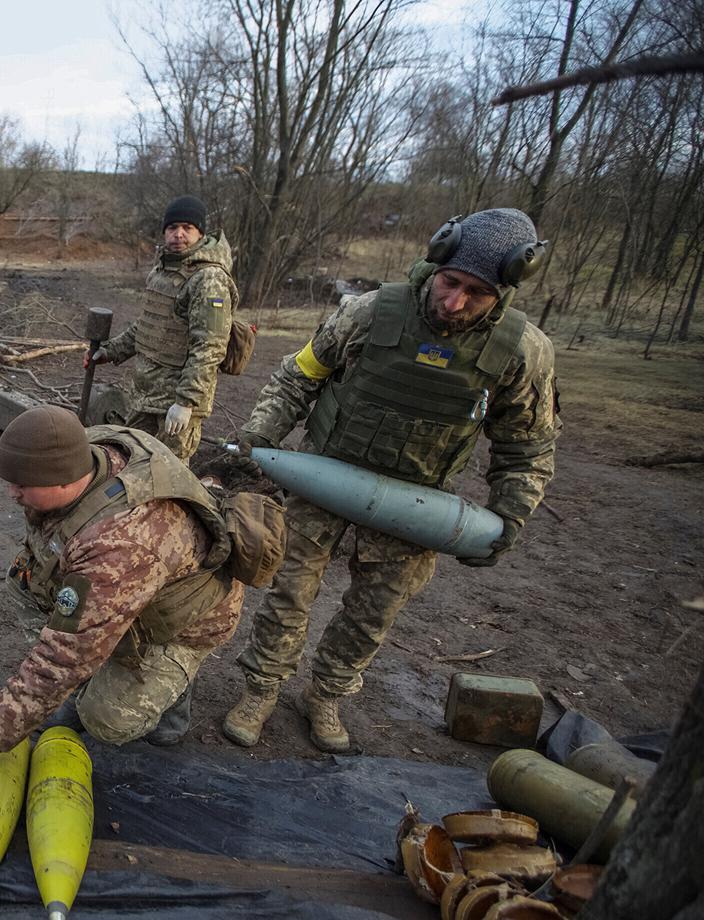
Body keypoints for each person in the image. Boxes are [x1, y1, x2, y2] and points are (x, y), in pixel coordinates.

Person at [221, 208, 559, 753]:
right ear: (437, 262)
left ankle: (326, 694)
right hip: (324, 477)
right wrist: (260, 435)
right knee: (288, 592)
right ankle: (260, 688)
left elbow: (528, 446)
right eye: (450, 283)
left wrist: (510, 516)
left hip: (416, 504)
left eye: (476, 293)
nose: (455, 303)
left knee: (373, 612)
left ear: (505, 290)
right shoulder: (370, 312)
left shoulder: (522, 352)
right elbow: (298, 377)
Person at [0, 405, 267, 776]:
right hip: (132, 585)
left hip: (184, 621)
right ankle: (95, 670)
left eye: (22, 485)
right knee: (24, 584)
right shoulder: (84, 450)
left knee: (106, 719)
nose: (11, 493)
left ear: (62, 481)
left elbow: (64, 656)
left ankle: (174, 694)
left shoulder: (119, 543)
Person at [88, 194, 239, 462]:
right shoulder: (163, 270)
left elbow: (210, 348)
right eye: (172, 227)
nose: (178, 234)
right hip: (146, 394)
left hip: (176, 402)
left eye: (187, 228)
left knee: (167, 472)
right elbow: (149, 324)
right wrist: (110, 351)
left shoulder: (209, 279)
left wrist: (185, 403)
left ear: (201, 233)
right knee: (131, 461)